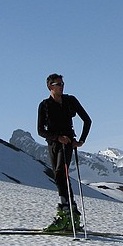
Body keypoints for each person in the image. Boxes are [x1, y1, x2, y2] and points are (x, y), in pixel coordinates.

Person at [37, 73, 91, 231]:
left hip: (67, 143)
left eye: (62, 83)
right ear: (50, 87)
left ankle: (65, 212)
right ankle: (71, 212)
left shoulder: (70, 100)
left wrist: (80, 140)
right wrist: (57, 137)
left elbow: (87, 120)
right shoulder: (44, 105)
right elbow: (40, 131)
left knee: (61, 173)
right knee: (60, 175)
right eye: (58, 84)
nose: (61, 86)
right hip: (54, 144)